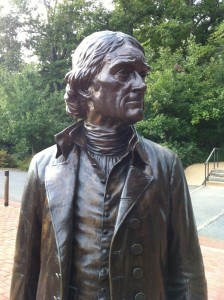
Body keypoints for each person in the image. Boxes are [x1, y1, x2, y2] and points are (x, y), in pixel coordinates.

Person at [10, 31, 207, 300]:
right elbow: (25, 268)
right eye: (124, 73)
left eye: (142, 74)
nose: (141, 85)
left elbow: (187, 271)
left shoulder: (165, 165)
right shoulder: (44, 166)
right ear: (85, 85)